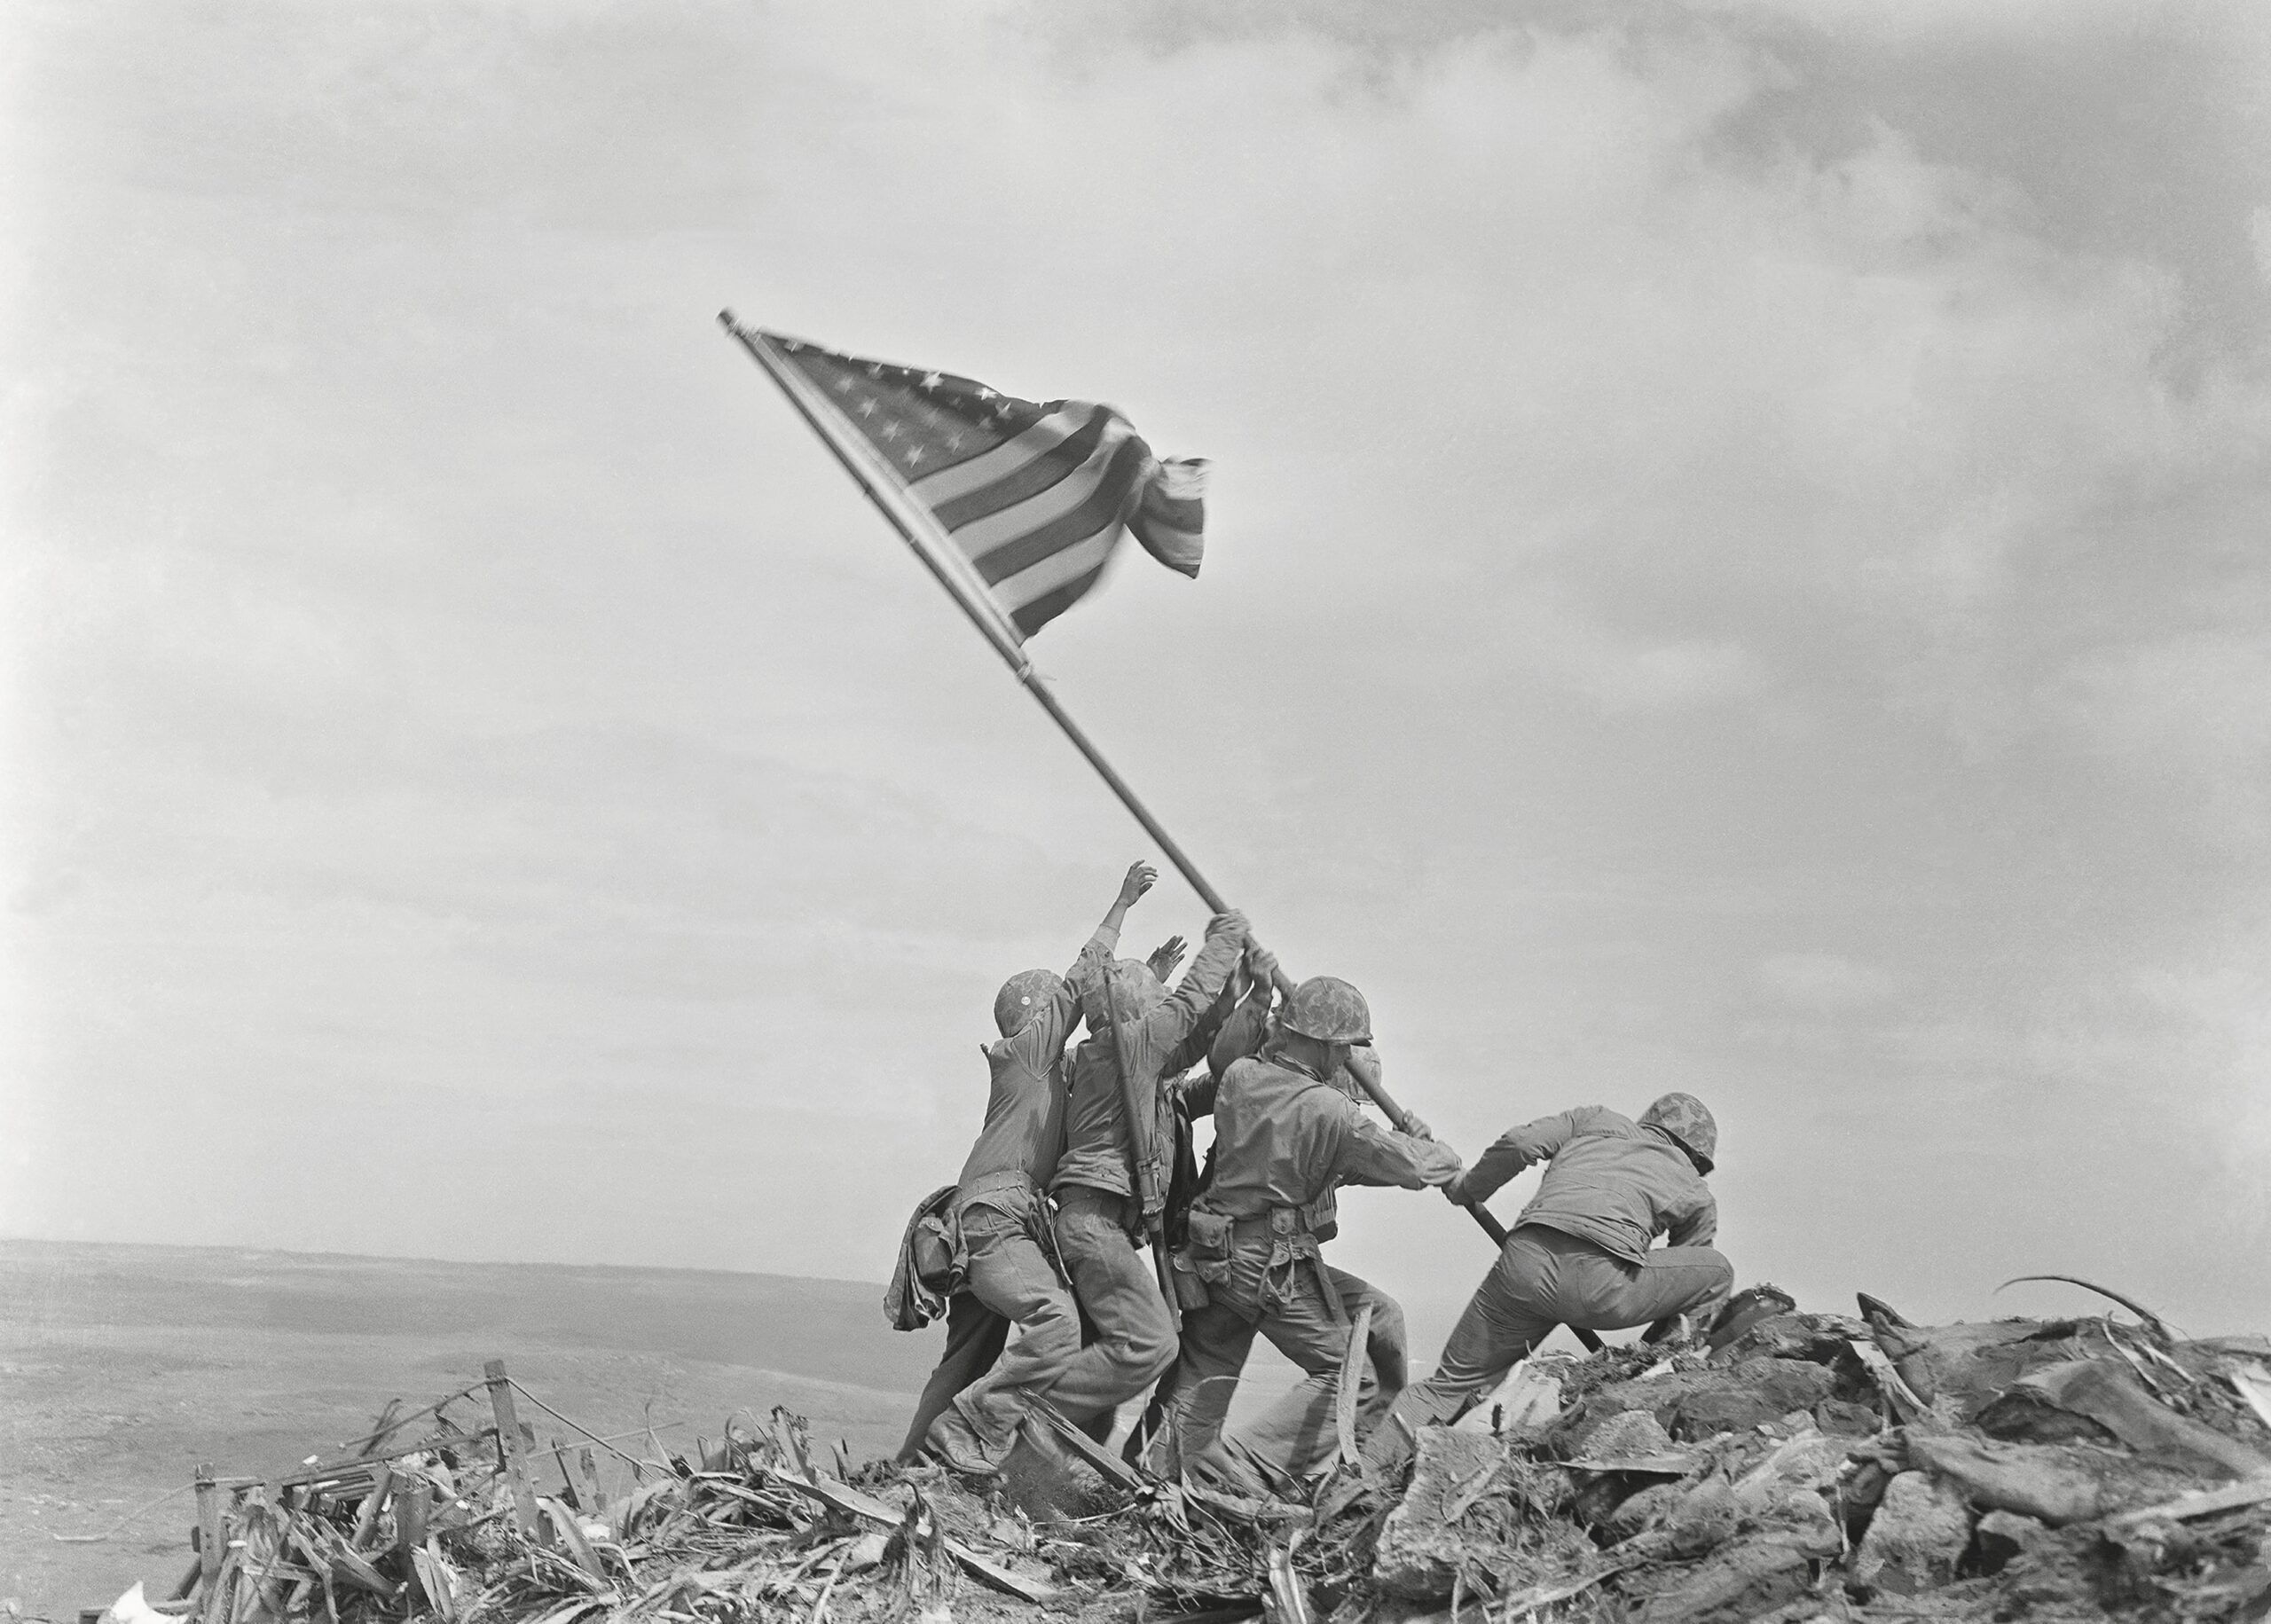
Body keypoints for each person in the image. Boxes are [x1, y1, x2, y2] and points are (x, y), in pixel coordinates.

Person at [1151, 975, 1462, 1493]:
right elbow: (1413, 1167)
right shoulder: (1330, 1110)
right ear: (1322, 1043)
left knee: (1206, 1371)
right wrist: (1432, 1148)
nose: (1345, 1057)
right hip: (1268, 1264)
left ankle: (1158, 1478)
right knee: (1353, 1378)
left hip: (1214, 1254)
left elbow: (1342, 1162)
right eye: (1342, 1047)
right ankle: (1243, 1470)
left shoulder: (1242, 1077)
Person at [907, 860, 1159, 1473]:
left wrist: (1151, 981)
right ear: (1039, 1015)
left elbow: (1115, 1036)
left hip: (988, 1221)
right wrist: (1122, 904)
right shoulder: (1025, 1054)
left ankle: (911, 1466)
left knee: (968, 1357)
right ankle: (976, 1431)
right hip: (995, 1221)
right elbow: (1082, 980)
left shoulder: (1045, 1073)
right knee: (1056, 1321)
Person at [1363, 1092, 1733, 1471]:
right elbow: (1685, 1280)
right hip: (1602, 1288)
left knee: (1447, 1386)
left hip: (1523, 1267)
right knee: (1717, 1272)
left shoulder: (1595, 1120)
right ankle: (1654, 1372)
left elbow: (1520, 1143)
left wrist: (1469, 1188)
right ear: (1697, 1156)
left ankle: (1364, 1470)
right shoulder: (1695, 1190)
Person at [1041, 906, 1252, 1443]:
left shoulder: (1120, 1056)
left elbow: (1192, 1042)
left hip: (1100, 1223)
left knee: (1107, 1364)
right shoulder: (1127, 1047)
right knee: (1152, 1344)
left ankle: (1043, 1458)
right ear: (1138, 1012)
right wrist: (1225, 938)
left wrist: (1234, 997)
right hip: (1094, 1223)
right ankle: (1025, 1409)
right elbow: (1187, 1005)